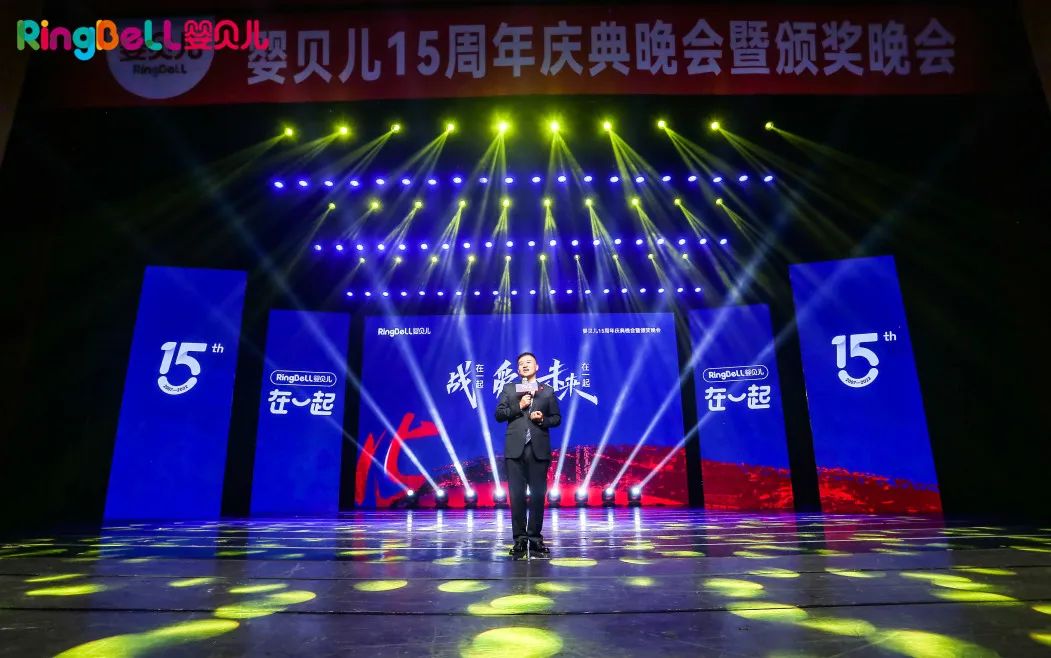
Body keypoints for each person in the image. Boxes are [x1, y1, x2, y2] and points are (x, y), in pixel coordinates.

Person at [494, 351, 561, 559]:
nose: (525, 365)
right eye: (521, 363)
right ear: (517, 369)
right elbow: (499, 415)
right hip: (515, 450)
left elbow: (556, 418)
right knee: (517, 497)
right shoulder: (509, 389)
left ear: (537, 367)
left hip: (538, 450)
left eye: (529, 362)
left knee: (538, 496)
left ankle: (535, 539)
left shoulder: (547, 391)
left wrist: (542, 420)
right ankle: (520, 540)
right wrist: (519, 406)